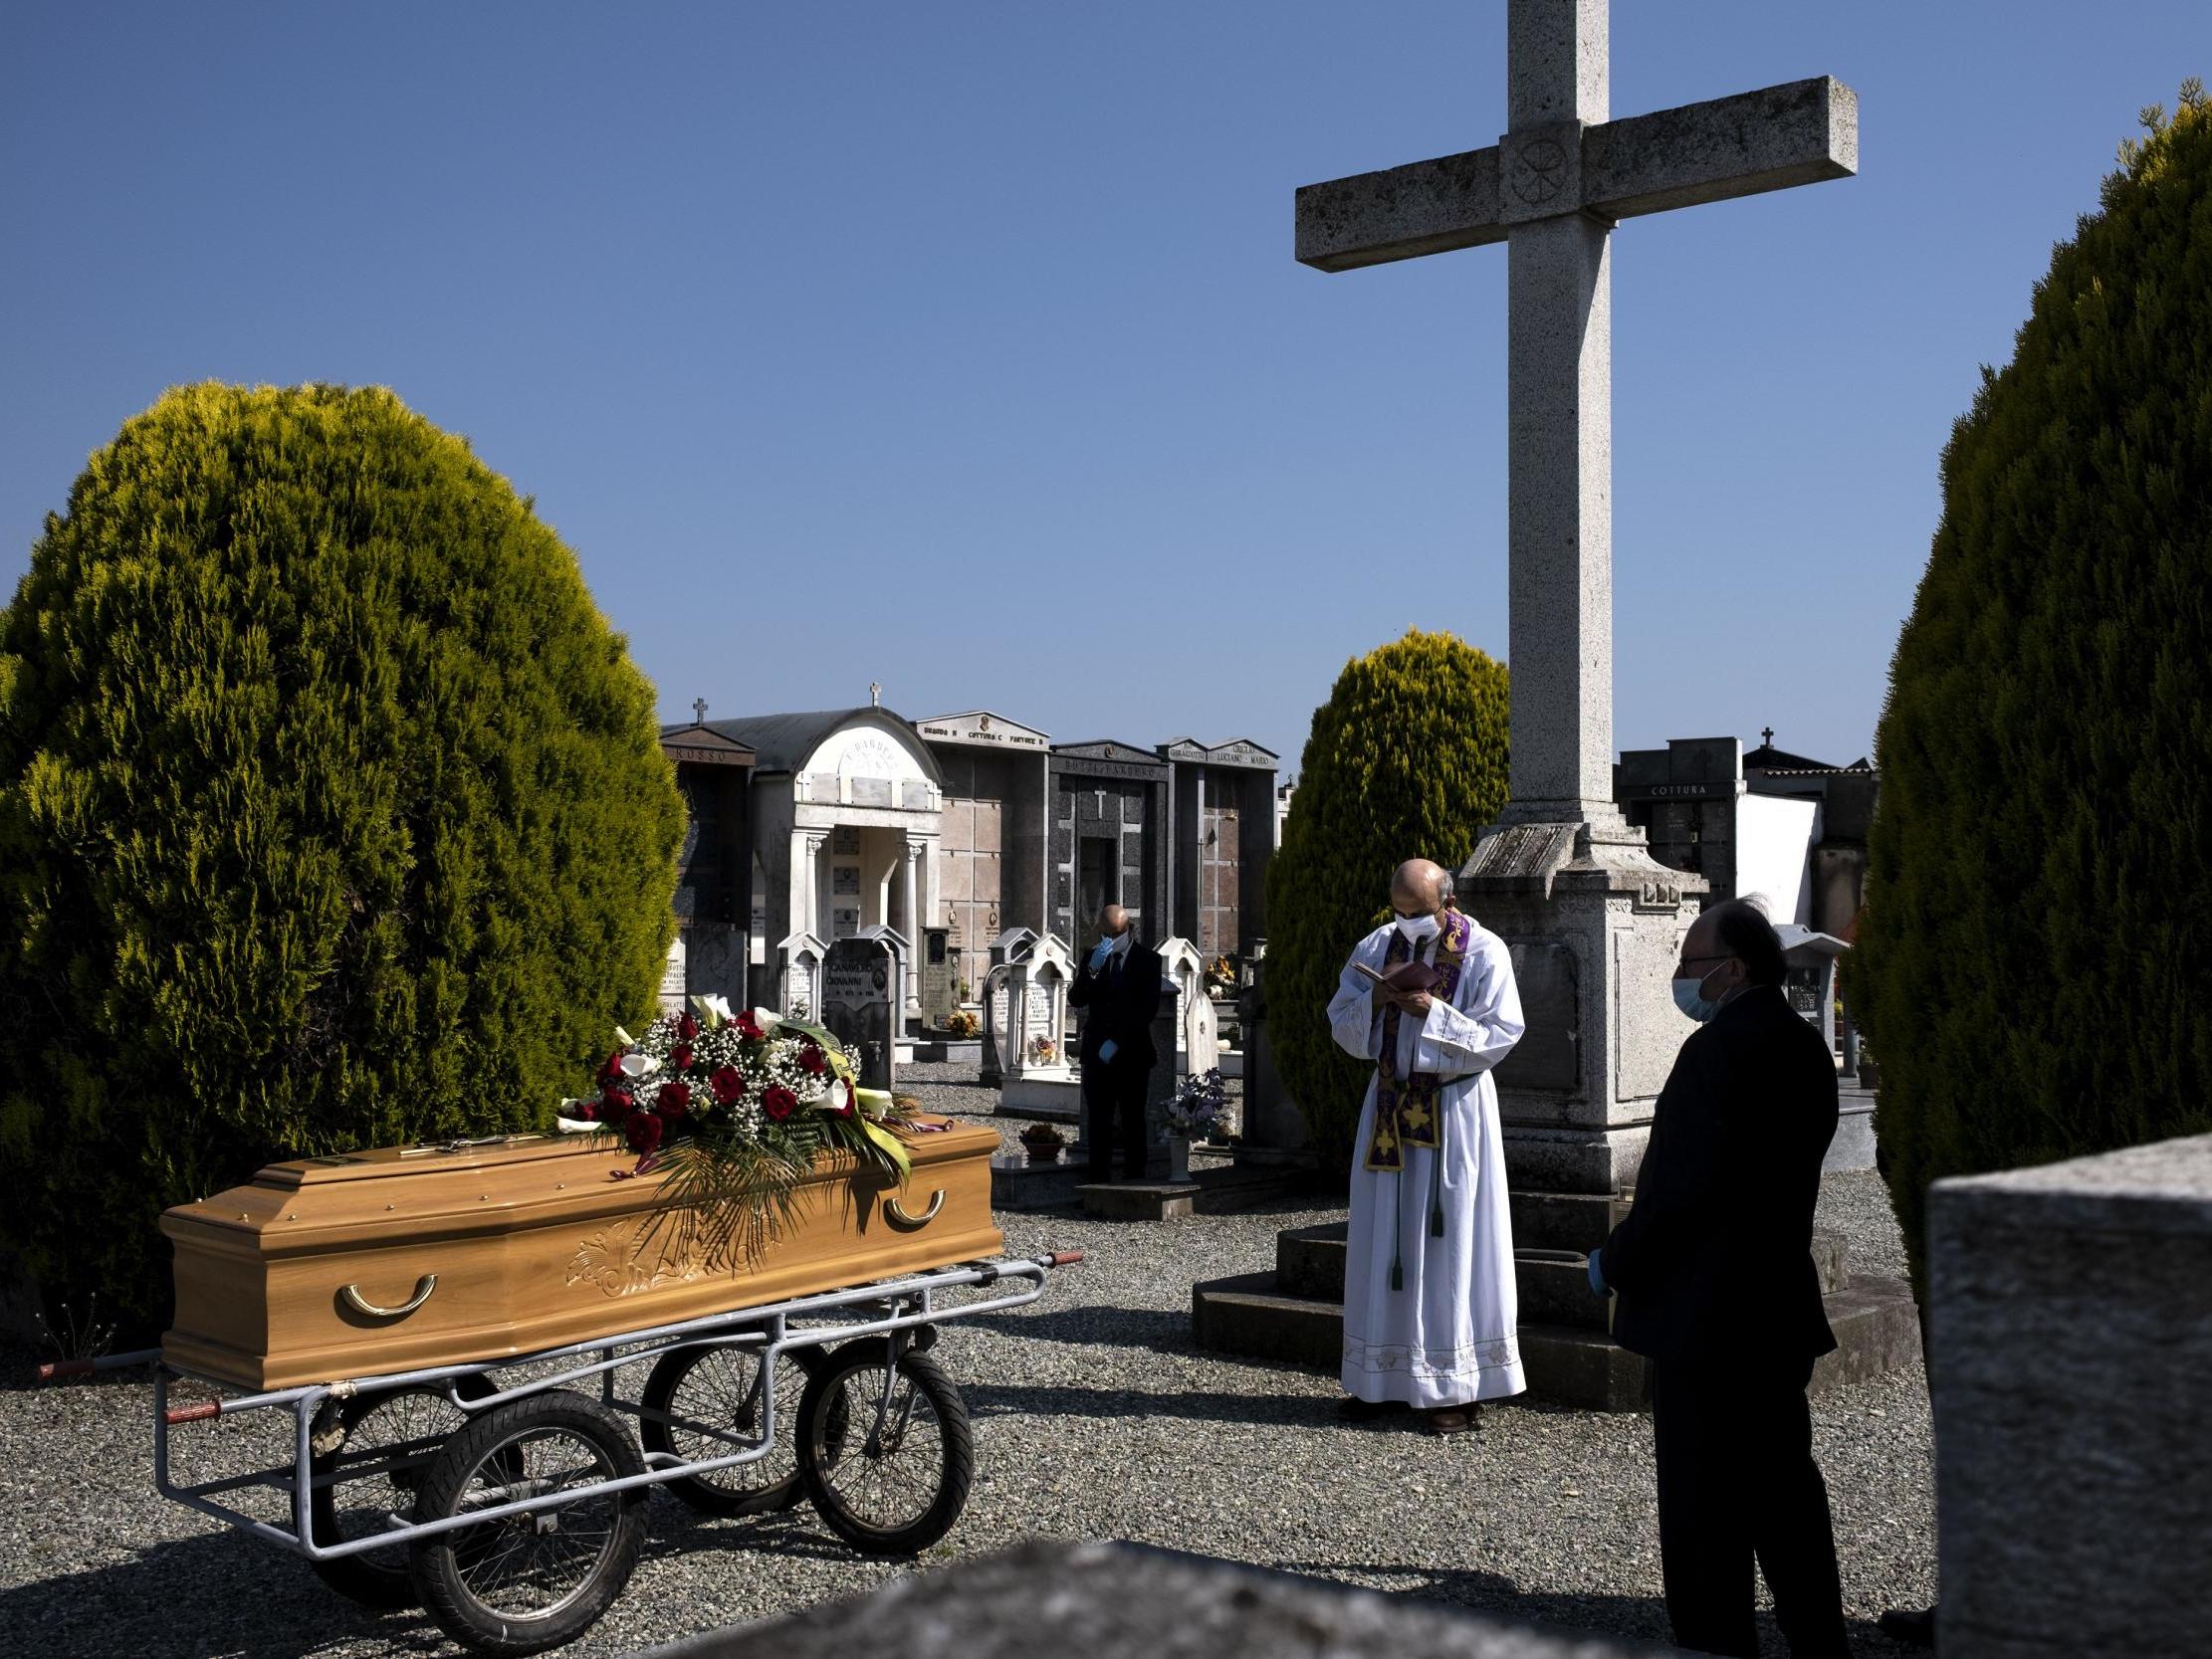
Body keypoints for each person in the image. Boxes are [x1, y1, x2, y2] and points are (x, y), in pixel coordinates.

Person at [1589, 898, 1850, 1659]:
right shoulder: (1805, 1047)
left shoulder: (1714, 1053)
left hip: (1706, 1318)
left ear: (1732, 970)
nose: (1679, 978)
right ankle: (1821, 1640)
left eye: (1690, 964)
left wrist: (1614, 1259)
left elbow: (1676, 1192)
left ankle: (1716, 1645)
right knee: (1785, 1496)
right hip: (1775, 1303)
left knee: (1704, 1514)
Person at [1325, 859, 1526, 1434]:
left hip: (1453, 1111)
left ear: (1448, 900)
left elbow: (1502, 1032)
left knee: (1450, 1242)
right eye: (1400, 911)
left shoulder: (1485, 951)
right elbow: (1340, 1019)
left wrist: (1432, 1012)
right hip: (1389, 1107)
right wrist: (1380, 1001)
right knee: (1383, 1237)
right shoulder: (1378, 943)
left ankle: (1454, 1388)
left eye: (1419, 911)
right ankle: (1380, 1380)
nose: (1408, 923)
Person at [1068, 904, 1162, 1182]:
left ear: (1127, 930)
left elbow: (1147, 1010)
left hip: (1132, 1052)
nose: (1107, 940)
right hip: (1097, 1053)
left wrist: (1117, 1041)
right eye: (1104, 934)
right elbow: (1077, 999)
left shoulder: (1148, 960)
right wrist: (1092, 971)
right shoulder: (1093, 958)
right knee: (1099, 1120)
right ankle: (1098, 1181)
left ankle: (1135, 1180)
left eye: (1113, 934)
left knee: (1133, 1119)